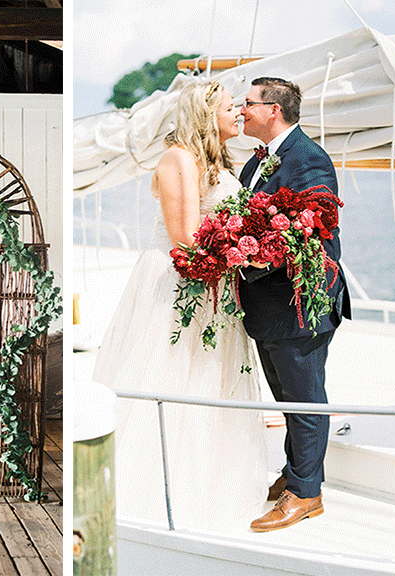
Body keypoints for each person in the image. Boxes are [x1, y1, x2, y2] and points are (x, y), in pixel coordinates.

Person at [93, 79, 267, 532]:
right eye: (232, 107)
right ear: (207, 115)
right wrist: (238, 252)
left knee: (213, 381)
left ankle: (214, 484)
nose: (239, 114)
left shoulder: (218, 160)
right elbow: (185, 238)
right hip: (178, 282)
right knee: (175, 373)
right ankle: (157, 491)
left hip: (215, 284)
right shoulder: (179, 159)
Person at [237, 77, 351, 532]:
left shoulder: (309, 160)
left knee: (305, 402)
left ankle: (307, 494)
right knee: (287, 400)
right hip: (269, 307)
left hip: (300, 305)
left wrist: (240, 261)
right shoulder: (257, 162)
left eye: (248, 103)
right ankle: (295, 473)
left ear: (273, 110)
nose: (241, 110)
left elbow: (306, 235)